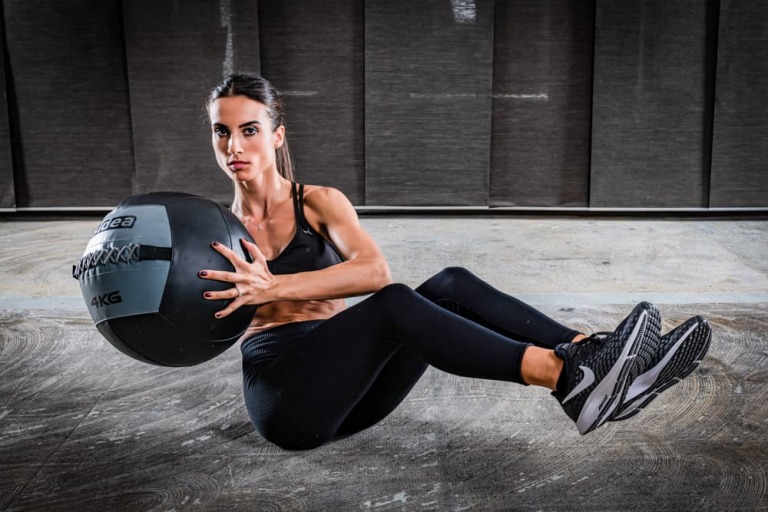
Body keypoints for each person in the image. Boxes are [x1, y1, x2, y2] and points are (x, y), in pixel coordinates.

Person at [198, 73, 712, 450]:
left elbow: (373, 272)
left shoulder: (318, 201)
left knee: (450, 282)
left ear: (277, 135)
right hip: (286, 399)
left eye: (249, 130)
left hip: (355, 389)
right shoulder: (213, 229)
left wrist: (272, 288)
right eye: (223, 132)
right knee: (397, 305)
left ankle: (594, 356)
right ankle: (567, 378)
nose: (234, 145)